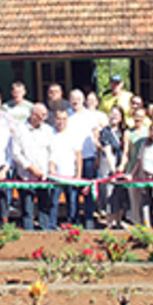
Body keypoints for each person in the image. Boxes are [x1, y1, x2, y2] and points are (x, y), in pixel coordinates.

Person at [12, 103, 55, 231]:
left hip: (44, 176)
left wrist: (50, 167)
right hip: (26, 176)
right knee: (27, 209)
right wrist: (31, 168)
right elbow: (16, 153)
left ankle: (45, 233)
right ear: (34, 115)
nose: (45, 117)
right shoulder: (19, 129)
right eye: (43, 115)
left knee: (44, 208)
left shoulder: (48, 130)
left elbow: (53, 151)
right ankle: (28, 236)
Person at [67, 89, 101, 228]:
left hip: (88, 157)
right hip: (71, 159)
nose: (75, 101)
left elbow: (97, 137)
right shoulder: (66, 115)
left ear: (83, 100)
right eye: (73, 99)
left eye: (78, 99)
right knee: (72, 191)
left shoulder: (90, 116)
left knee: (88, 189)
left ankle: (89, 218)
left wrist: (98, 156)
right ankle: (73, 218)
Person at [49, 108, 83, 227]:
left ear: (67, 119)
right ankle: (51, 225)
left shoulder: (73, 134)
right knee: (53, 202)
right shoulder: (50, 133)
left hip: (70, 174)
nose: (61, 121)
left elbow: (78, 156)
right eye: (59, 118)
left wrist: (78, 175)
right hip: (55, 175)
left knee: (73, 202)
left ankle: (72, 225)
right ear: (54, 119)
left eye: (64, 119)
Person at [99, 105, 128, 228]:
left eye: (117, 115)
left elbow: (126, 150)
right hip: (109, 164)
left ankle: (119, 221)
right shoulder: (105, 132)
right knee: (109, 193)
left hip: (122, 164)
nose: (114, 117)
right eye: (112, 114)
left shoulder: (124, 132)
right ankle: (109, 222)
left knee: (121, 193)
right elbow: (107, 151)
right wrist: (113, 170)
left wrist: (122, 165)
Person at [122, 106, 150, 225]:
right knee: (134, 198)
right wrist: (122, 166)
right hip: (132, 168)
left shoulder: (148, 132)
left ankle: (147, 221)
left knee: (146, 196)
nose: (138, 118)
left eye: (141, 116)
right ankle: (136, 221)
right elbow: (126, 152)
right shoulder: (128, 133)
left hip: (146, 169)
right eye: (136, 116)